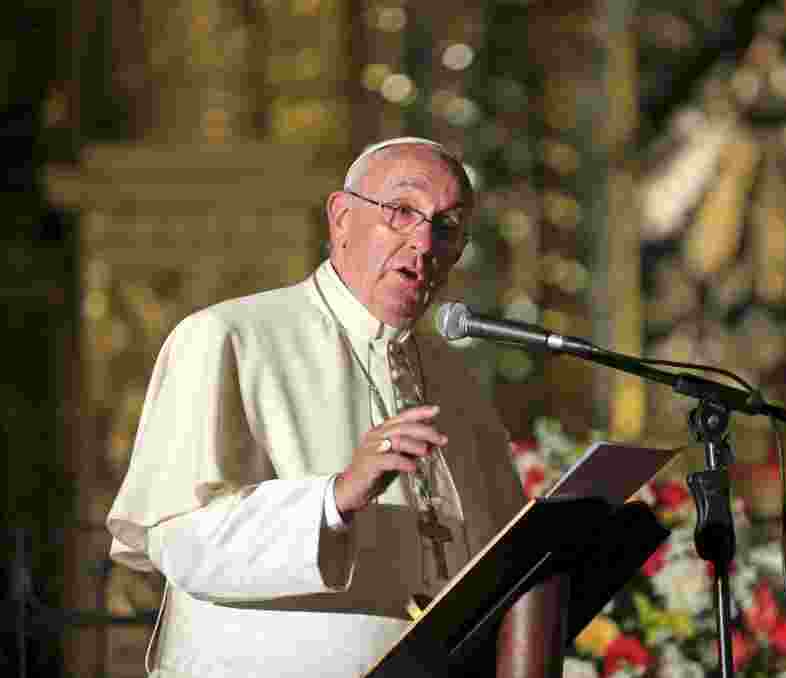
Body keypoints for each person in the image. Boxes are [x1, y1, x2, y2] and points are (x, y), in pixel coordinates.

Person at [107, 137, 535, 677]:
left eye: (447, 227)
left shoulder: (452, 373)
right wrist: (334, 497)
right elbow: (179, 540)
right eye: (402, 212)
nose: (423, 242)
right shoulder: (227, 337)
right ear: (341, 218)